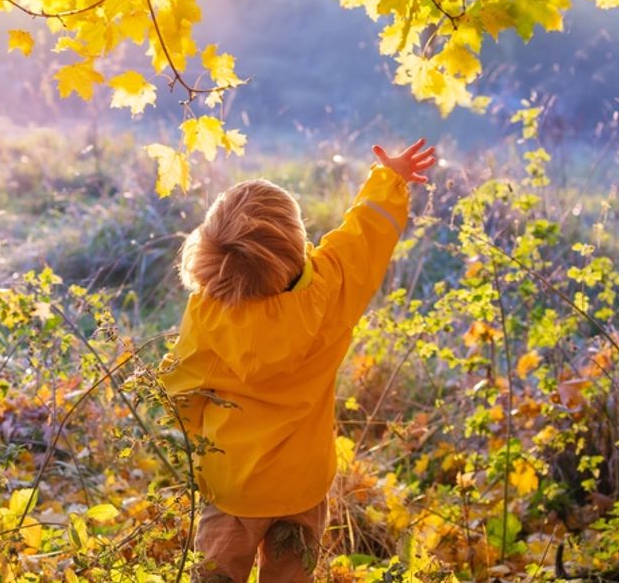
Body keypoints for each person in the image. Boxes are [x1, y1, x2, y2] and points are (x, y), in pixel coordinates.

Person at [160, 139, 436, 582]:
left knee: (216, 577)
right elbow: (366, 235)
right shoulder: (330, 289)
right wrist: (390, 178)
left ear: (213, 251)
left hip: (232, 485)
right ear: (295, 239)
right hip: (302, 486)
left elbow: (180, 390)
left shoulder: (209, 312)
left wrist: (200, 442)